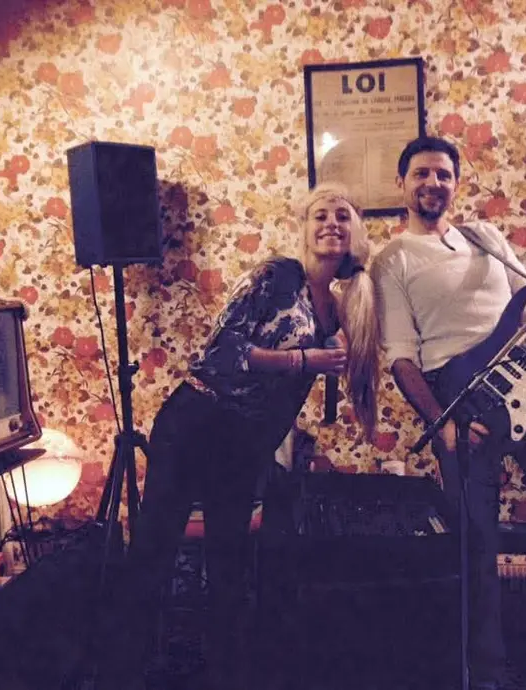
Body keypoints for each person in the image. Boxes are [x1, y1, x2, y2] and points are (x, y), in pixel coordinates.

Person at [97, 181, 380, 690]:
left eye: (342, 215)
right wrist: (304, 360)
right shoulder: (277, 276)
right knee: (154, 553)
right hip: (196, 424)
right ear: (304, 229)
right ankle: (120, 674)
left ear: (356, 230)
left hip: (243, 444)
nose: (331, 224)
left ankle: (224, 674)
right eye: (320, 215)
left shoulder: (338, 306)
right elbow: (221, 354)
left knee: (230, 568)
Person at [370, 136, 526, 690]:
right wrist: (443, 423)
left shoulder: (485, 236)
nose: (433, 183)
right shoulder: (392, 259)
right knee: (476, 549)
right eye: (421, 173)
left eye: (443, 174)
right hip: (463, 408)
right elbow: (403, 358)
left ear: (456, 183)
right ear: (401, 184)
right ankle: (486, 675)